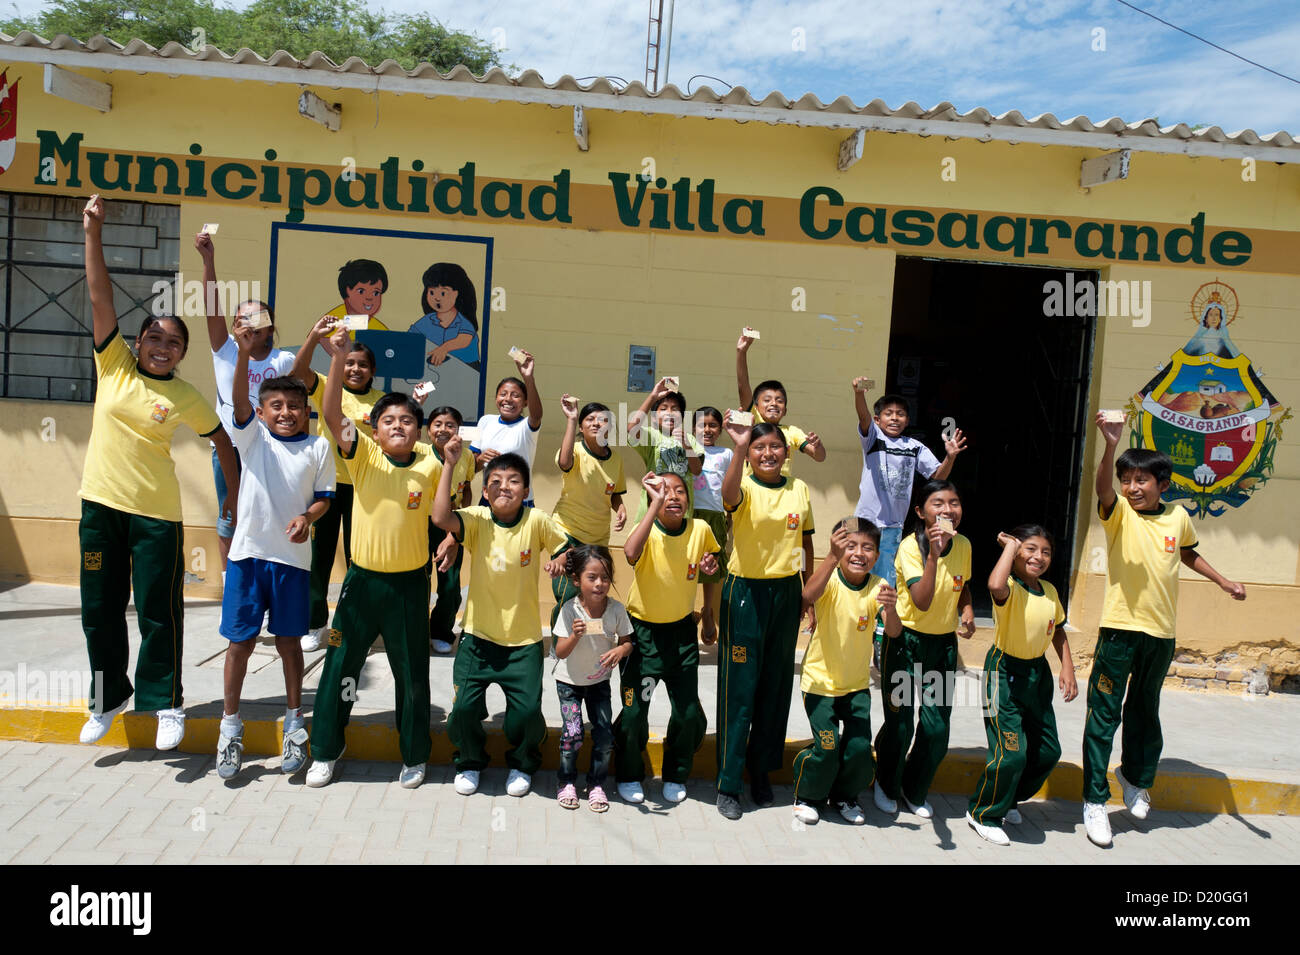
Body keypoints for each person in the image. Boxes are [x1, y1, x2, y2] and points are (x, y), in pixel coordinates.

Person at [77, 194, 240, 751]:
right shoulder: (114, 365)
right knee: (99, 611)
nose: (163, 347)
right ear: (138, 342)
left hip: (155, 519)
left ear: (180, 352)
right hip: (100, 509)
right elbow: (99, 294)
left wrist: (231, 503)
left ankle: (165, 701)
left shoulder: (188, 397)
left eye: (174, 342)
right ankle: (107, 699)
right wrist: (93, 231)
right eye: (155, 338)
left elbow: (224, 444)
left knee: (157, 612)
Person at [1082, 414, 1245, 847]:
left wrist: (1224, 580)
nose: (1133, 488)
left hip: (1161, 633)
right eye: (1127, 480)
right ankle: (1095, 801)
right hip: (1119, 630)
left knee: (1144, 710)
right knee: (1104, 714)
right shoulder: (1118, 515)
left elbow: (1188, 554)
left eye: (1142, 481)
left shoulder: (1177, 519)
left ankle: (1135, 778)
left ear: (1162, 484)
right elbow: (1102, 489)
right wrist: (1110, 445)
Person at [304, 326, 449, 789]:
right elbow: (329, 412)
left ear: (418, 428)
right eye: (389, 421)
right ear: (375, 427)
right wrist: (338, 356)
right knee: (339, 668)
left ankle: (414, 755)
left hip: (409, 587)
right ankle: (326, 750)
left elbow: (447, 512)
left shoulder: (431, 461)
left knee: (412, 676)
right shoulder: (362, 455)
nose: (398, 427)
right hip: (361, 587)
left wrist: (450, 538)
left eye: (407, 421)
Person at [216, 328, 334, 779]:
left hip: (291, 564)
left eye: (295, 406)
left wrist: (309, 517)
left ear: (307, 411)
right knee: (240, 643)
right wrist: (245, 354)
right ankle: (230, 728)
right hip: (247, 559)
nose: (287, 413)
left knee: (289, 644)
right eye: (277, 407)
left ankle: (294, 724)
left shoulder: (319, 446)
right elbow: (237, 400)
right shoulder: (253, 440)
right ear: (262, 413)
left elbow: (324, 497)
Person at [433, 441, 567, 798]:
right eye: (495, 481)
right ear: (485, 491)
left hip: (523, 642)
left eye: (513, 481)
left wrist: (559, 563)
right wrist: (450, 464)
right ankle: (469, 761)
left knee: (524, 715)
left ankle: (523, 764)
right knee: (462, 709)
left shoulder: (537, 520)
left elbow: (566, 550)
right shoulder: (476, 520)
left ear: (525, 490)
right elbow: (441, 517)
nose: (504, 486)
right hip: (478, 638)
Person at [715, 417, 815, 820]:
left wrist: (807, 594)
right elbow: (727, 495)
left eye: (775, 447)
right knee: (740, 691)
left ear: (786, 452)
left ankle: (761, 772)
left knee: (774, 691)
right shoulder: (744, 485)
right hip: (745, 594)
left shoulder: (800, 489)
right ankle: (728, 783)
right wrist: (739, 447)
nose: (768, 454)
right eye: (759, 448)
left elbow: (805, 542)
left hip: (786, 593)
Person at [966, 525, 1077, 846]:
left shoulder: (1051, 591)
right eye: (1029, 549)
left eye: (1045, 551)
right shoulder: (1010, 587)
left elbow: (1057, 630)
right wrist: (1010, 546)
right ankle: (982, 811)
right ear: (1014, 555)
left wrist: (1067, 666)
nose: (1038, 557)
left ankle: (1009, 797)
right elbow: (993, 583)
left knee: (1048, 751)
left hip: (1036, 674)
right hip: (1003, 672)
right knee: (1011, 752)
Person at [614, 472, 720, 805]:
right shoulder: (646, 530)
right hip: (641, 636)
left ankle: (676, 773)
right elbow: (631, 552)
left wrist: (710, 614)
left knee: (687, 712)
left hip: (682, 635)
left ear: (689, 500)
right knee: (634, 712)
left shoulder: (700, 530)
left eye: (679, 491)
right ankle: (630, 773)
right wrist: (653, 504)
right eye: (663, 492)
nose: (672, 496)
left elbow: (711, 568)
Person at [873, 479, 975, 821]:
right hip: (906, 641)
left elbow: (962, 585)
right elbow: (922, 600)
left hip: (942, 646)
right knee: (900, 724)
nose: (947, 510)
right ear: (920, 512)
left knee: (935, 729)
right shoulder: (908, 548)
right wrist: (933, 553)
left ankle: (913, 788)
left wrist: (967, 609)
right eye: (938, 504)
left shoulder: (963, 545)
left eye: (954, 503)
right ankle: (886, 783)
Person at [195, 231, 295, 572]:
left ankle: (263, 585)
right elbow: (211, 306)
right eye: (243, 318)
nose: (250, 325)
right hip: (229, 449)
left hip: (268, 450)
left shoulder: (282, 360)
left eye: (258, 319)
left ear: (270, 328)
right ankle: (230, 588)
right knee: (230, 514)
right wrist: (208, 261)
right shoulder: (225, 351)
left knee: (268, 515)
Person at [792, 518, 900, 825]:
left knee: (858, 750)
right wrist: (830, 557)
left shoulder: (879, 587)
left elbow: (893, 632)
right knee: (828, 747)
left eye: (867, 548)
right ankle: (807, 795)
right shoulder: (831, 580)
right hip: (819, 684)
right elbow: (807, 596)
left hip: (855, 687)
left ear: (877, 556)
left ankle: (843, 796)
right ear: (839, 549)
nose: (858, 553)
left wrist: (890, 610)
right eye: (850, 546)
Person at [288, 316, 385, 650]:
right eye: (350, 363)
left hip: (363, 489)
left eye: (363, 365)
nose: (355, 370)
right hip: (326, 486)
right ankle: (315, 624)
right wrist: (314, 336)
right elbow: (297, 374)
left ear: (372, 371)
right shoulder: (327, 386)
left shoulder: (382, 401)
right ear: (341, 364)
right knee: (320, 558)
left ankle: (357, 622)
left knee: (360, 558)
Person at [851, 383, 965, 585]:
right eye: (889, 414)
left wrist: (950, 457)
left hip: (894, 526)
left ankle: (881, 616)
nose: (895, 418)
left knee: (885, 578)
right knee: (858, 571)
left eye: (900, 414)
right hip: (864, 521)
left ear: (907, 421)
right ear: (877, 420)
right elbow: (863, 416)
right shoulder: (873, 440)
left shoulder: (914, 447)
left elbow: (937, 478)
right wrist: (859, 393)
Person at [551, 545, 634, 812]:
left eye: (606, 577)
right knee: (572, 733)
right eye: (592, 577)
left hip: (599, 682)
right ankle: (566, 781)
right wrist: (575, 635)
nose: (600, 583)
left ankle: (596, 784)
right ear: (576, 580)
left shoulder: (616, 610)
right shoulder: (569, 610)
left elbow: (628, 642)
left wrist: (621, 650)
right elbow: (560, 652)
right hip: (569, 684)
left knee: (604, 736)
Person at [551, 395, 627, 618]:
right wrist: (571, 419)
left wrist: (620, 509)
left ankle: (583, 646)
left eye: (603, 420)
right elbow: (564, 463)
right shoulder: (574, 450)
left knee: (592, 596)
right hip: (567, 532)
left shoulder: (616, 460)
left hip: (598, 539)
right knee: (567, 593)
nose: (596, 423)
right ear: (582, 427)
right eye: (590, 419)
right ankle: (560, 648)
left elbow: (614, 493)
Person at [421, 406, 475, 654]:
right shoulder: (418, 453)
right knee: (418, 581)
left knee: (450, 585)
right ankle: (416, 630)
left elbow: (466, 490)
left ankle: (441, 631)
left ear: (458, 430)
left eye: (450, 425)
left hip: (451, 527)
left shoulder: (466, 456)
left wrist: (457, 530)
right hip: (419, 526)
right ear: (428, 429)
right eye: (437, 424)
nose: (443, 429)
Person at [736, 331, 824, 476]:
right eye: (767, 400)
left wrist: (818, 447)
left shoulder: (792, 432)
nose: (774, 404)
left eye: (779, 401)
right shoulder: (753, 422)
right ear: (755, 407)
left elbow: (819, 457)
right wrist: (741, 352)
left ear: (785, 410)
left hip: (781, 492)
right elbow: (742, 386)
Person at [626, 377, 704, 522]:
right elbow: (631, 429)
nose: (669, 412)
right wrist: (653, 397)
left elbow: (697, 470)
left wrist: (687, 446)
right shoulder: (651, 435)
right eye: (663, 409)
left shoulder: (690, 439)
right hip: (652, 511)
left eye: (675, 409)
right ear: (654, 418)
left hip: (680, 512)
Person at [470, 351, 543, 504]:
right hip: (489, 500)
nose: (508, 399)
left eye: (515, 395)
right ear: (496, 398)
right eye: (503, 394)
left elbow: (536, 415)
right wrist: (480, 459)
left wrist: (528, 377)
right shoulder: (485, 421)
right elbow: (471, 466)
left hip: (519, 502)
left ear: (525, 403)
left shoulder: (526, 427)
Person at [692, 406, 732, 644]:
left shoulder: (725, 453)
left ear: (720, 429)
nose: (707, 430)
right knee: (686, 564)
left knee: (711, 567)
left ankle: (707, 610)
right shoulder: (686, 448)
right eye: (701, 425)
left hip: (715, 515)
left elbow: (732, 486)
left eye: (713, 425)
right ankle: (687, 612)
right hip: (688, 514)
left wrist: (730, 516)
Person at [409, 262, 480, 368]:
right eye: (432, 292)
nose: (437, 298)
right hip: (435, 373)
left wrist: (444, 348)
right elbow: (410, 338)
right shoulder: (427, 321)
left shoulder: (462, 322)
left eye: (443, 293)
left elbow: (464, 339)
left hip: (465, 372)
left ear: (456, 293)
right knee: (417, 384)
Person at [325, 259, 389, 330]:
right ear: (347, 290)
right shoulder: (332, 321)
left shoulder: (380, 329)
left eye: (376, 293)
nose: (369, 298)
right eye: (361, 291)